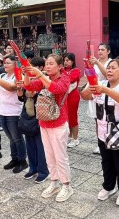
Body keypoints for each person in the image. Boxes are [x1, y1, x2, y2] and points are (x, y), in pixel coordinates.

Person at [81, 59, 119, 206]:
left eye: (113, 68)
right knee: (106, 162)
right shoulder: (101, 83)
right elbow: (84, 97)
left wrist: (104, 90)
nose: (109, 70)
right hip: (103, 131)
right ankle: (108, 186)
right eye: (108, 68)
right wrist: (90, 87)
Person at [24, 54, 73, 202]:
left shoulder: (64, 78)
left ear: (59, 67)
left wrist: (39, 74)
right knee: (49, 156)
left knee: (60, 156)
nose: (48, 66)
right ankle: (54, 182)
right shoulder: (45, 78)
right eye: (47, 64)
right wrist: (27, 74)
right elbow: (28, 87)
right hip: (44, 122)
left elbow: (56, 89)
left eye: (51, 64)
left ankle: (66, 185)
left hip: (58, 123)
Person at [0, 56, 28, 174]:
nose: (5, 65)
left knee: (17, 138)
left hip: (14, 112)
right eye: (5, 63)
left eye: (8, 63)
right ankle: (14, 158)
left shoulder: (18, 77)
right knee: (11, 138)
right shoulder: (2, 76)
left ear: (15, 65)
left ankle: (23, 161)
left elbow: (10, 87)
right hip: (2, 111)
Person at [16, 57, 49, 183]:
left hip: (40, 114)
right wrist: (20, 92)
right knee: (29, 143)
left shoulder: (44, 79)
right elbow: (22, 98)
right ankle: (33, 167)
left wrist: (34, 94)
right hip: (28, 114)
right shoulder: (27, 79)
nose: (29, 70)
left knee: (40, 145)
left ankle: (43, 171)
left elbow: (46, 97)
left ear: (40, 68)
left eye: (32, 67)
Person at [87, 43, 112, 154]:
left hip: (106, 91)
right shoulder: (94, 63)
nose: (100, 52)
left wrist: (96, 62)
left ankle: (108, 140)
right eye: (99, 49)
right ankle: (100, 142)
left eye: (102, 50)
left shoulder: (111, 63)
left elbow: (107, 75)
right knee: (97, 120)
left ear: (108, 51)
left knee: (106, 120)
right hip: (94, 91)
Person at [64, 53, 81, 148]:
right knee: (66, 117)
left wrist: (61, 70)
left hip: (73, 97)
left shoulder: (76, 70)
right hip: (65, 97)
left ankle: (75, 139)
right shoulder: (64, 70)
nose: (65, 62)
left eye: (67, 60)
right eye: (64, 60)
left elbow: (69, 79)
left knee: (73, 117)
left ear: (72, 61)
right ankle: (69, 136)